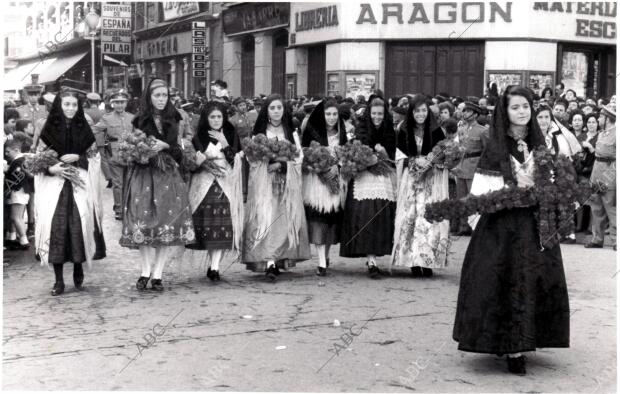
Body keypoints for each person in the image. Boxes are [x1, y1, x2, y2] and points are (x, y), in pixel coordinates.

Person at [453, 86, 570, 375]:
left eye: (525, 107)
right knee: (501, 277)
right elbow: (482, 192)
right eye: (515, 107)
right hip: (501, 224)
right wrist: (510, 190)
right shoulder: (495, 147)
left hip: (533, 224)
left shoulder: (540, 146)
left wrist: (545, 189)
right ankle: (507, 343)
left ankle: (525, 340)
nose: (521, 111)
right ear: (505, 112)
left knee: (531, 278)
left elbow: (553, 181)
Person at [120, 78, 195, 291]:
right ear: (149, 97)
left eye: (164, 96)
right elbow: (131, 148)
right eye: (157, 96)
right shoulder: (138, 120)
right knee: (141, 222)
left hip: (168, 175)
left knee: (165, 224)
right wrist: (141, 152)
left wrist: (165, 146)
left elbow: (181, 151)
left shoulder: (176, 118)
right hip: (143, 175)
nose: (161, 100)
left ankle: (158, 274)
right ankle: (145, 270)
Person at [34, 90, 106, 296]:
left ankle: (78, 266)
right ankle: (58, 280)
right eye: (66, 104)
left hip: (79, 186)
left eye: (74, 105)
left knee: (78, 227)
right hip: (55, 187)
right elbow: (39, 159)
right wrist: (52, 168)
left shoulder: (85, 129)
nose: (70, 109)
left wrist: (79, 158)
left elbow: (95, 158)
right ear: (59, 105)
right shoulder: (47, 129)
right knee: (56, 229)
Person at [241, 94, 310, 280]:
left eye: (279, 107)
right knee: (266, 219)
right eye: (272, 108)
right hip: (265, 183)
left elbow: (298, 157)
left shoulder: (291, 132)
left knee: (283, 220)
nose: (276, 111)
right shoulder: (259, 133)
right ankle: (269, 262)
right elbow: (251, 158)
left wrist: (281, 164)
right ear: (267, 111)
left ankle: (280, 258)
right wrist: (266, 163)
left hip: (286, 183)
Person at [340, 95, 397, 279]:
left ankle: (376, 256)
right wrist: (367, 159)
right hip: (365, 178)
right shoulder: (361, 131)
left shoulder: (391, 132)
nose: (377, 117)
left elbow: (392, 158)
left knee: (381, 219)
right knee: (366, 217)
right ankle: (371, 259)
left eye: (380, 113)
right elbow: (355, 155)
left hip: (384, 178)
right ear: (369, 114)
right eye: (374, 113)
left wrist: (383, 152)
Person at [392, 94, 448, 276]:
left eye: (424, 110)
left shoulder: (437, 131)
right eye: (417, 111)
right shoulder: (403, 130)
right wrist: (414, 162)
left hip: (431, 181)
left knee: (428, 219)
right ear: (412, 112)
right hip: (411, 181)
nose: (421, 114)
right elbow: (399, 155)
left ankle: (428, 261)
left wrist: (432, 162)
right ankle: (413, 262)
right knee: (410, 218)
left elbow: (444, 155)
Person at [187, 101, 243, 281]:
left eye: (219, 116)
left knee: (222, 225)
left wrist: (225, 143)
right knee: (209, 227)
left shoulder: (232, 134)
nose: (216, 120)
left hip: (225, 184)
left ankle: (215, 266)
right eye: (212, 117)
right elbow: (191, 166)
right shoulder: (198, 137)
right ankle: (212, 262)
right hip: (204, 184)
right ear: (206, 118)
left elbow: (236, 162)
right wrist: (198, 163)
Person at [301, 99, 348, 276]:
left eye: (334, 114)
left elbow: (346, 156)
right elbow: (305, 155)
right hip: (317, 182)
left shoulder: (342, 133)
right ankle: (320, 260)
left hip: (336, 180)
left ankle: (326, 255)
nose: (331, 118)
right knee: (319, 218)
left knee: (331, 220)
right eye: (328, 114)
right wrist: (318, 167)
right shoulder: (313, 132)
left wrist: (338, 166)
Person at [92, 89, 134, 220]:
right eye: (117, 102)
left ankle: (128, 207)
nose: (120, 105)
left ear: (126, 103)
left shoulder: (132, 117)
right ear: (112, 104)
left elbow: (139, 133)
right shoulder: (107, 118)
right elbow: (94, 129)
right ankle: (119, 209)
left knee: (130, 182)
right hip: (115, 154)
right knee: (118, 183)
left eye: (122, 102)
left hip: (132, 154)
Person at [452, 101, 489, 235]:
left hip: (474, 167)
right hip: (461, 166)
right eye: (464, 111)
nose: (464, 114)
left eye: (467, 111)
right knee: (461, 198)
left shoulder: (482, 131)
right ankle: (463, 227)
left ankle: (475, 227)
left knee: (473, 198)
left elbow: (487, 151)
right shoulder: (461, 129)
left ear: (474, 114)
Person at [586, 104, 616, 249]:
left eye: (601, 117)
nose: (598, 119)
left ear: (608, 119)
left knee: (611, 207)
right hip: (596, 172)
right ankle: (597, 239)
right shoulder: (602, 133)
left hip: (609, 174)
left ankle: (617, 240)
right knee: (596, 207)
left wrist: (608, 178)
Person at [4, 139, 32, 250]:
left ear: (16, 150)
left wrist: (9, 189)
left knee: (16, 217)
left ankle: (24, 241)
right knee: (17, 216)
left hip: (18, 191)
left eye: (7, 152)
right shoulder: (23, 159)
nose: (6, 154)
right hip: (23, 191)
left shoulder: (17, 162)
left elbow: (16, 179)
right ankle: (13, 238)